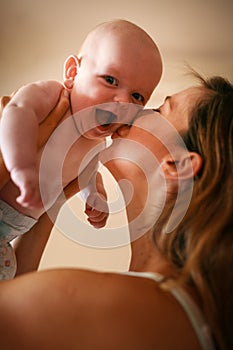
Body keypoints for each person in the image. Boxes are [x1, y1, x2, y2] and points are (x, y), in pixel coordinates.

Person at [0, 72, 232, 350]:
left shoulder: (109, 303)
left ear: (178, 165)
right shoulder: (175, 310)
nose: (131, 112)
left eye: (158, 110)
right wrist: (53, 196)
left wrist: (4, 152)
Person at [0, 19, 162, 279]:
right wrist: (19, 166)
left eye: (137, 97)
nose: (122, 101)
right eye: (110, 80)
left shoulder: (97, 143)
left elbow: (88, 173)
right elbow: (16, 113)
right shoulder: (52, 96)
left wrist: (96, 197)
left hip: (8, 238)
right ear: (73, 73)